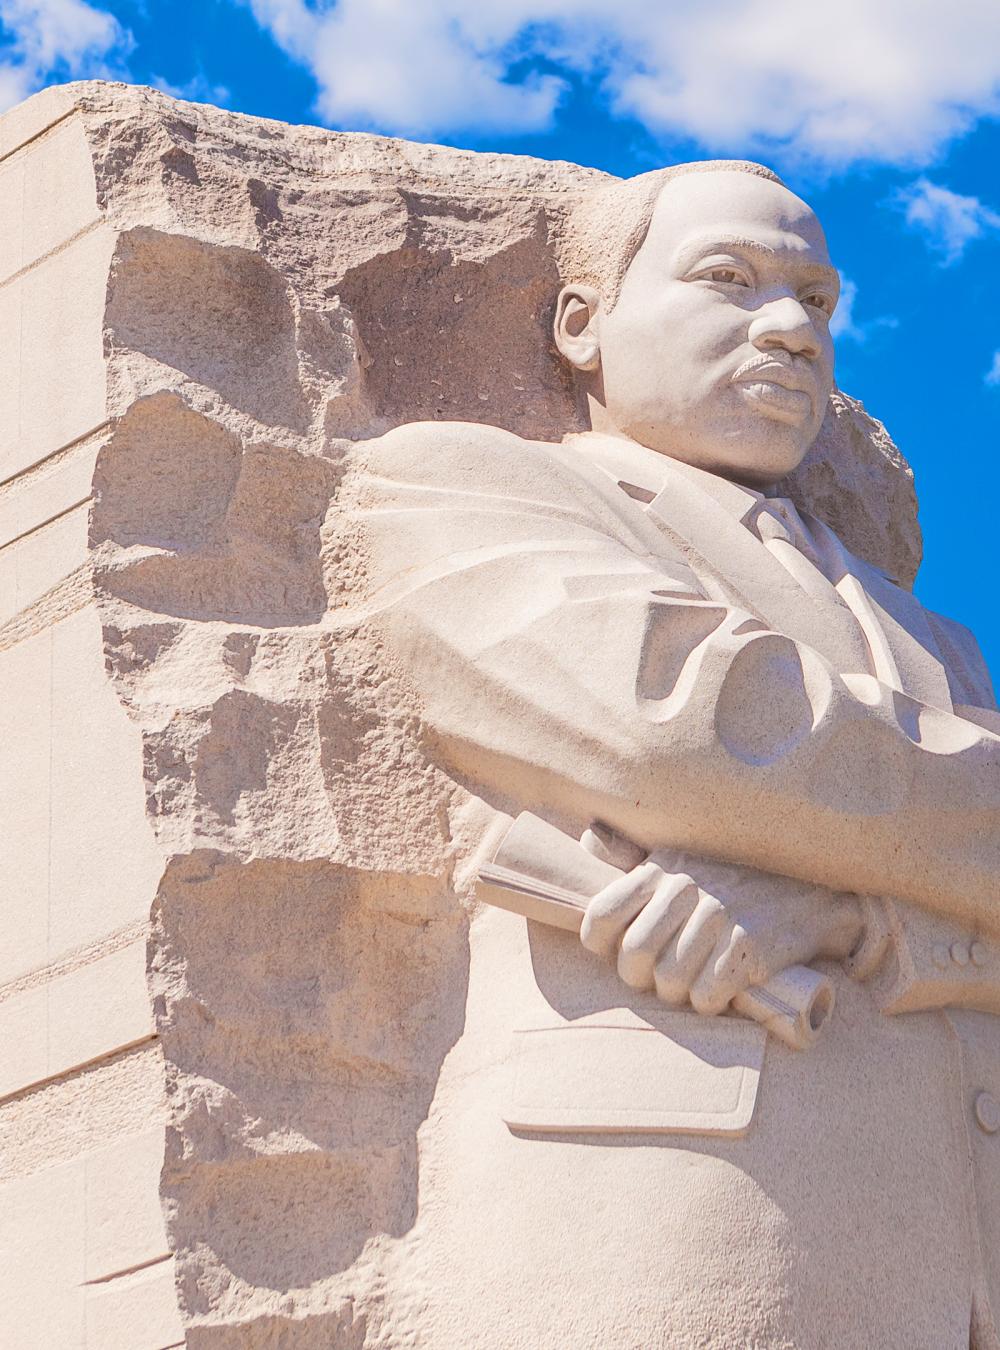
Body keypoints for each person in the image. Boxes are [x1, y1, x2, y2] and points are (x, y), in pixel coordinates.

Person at [353, 161, 1000, 1348]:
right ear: (583, 324)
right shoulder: (465, 483)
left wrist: (846, 921)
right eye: (731, 279)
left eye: (818, 301)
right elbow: (694, 732)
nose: (791, 329)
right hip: (672, 1224)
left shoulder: (937, 644)